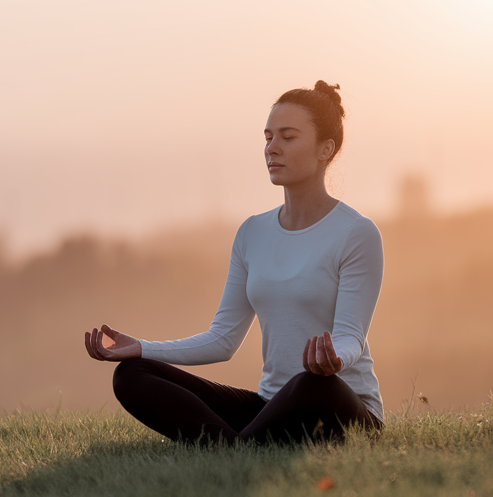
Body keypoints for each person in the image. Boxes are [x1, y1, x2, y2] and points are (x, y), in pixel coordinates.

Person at [83, 81, 385, 445]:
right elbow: (223, 339)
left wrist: (335, 358)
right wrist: (142, 347)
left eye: (287, 137)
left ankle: (235, 447)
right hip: (272, 405)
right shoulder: (252, 233)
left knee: (312, 383)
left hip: (339, 407)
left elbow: (352, 334)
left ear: (326, 148)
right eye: (268, 137)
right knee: (132, 375)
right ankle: (235, 445)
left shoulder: (356, 233)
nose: (272, 148)